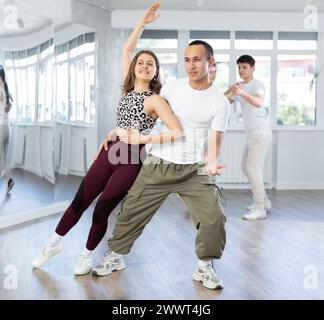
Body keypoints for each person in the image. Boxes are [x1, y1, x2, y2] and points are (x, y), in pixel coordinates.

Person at [32, 2, 183, 275]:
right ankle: (51, 245)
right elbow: (127, 49)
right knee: (80, 201)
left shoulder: (156, 100)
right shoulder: (127, 90)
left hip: (131, 159)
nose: (145, 65)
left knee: (101, 211)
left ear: (156, 72)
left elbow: (177, 132)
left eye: (151, 64)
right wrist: (142, 23)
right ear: (134, 68)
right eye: (141, 62)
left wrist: (143, 138)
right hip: (110, 151)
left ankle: (86, 256)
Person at [92, 38, 231, 291]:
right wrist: (116, 131)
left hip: (192, 170)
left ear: (211, 62)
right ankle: (116, 255)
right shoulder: (172, 87)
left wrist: (211, 164)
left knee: (214, 218)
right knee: (131, 211)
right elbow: (141, 109)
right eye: (187, 60)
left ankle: (204, 265)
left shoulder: (220, 102)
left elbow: (215, 144)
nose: (191, 65)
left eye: (197, 59)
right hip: (158, 164)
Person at [224, 55, 272, 220]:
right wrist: (231, 90)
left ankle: (260, 208)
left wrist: (241, 93)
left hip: (260, 133)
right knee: (246, 167)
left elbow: (259, 102)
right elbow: (223, 102)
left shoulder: (257, 85)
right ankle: (263, 200)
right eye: (239, 68)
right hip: (251, 134)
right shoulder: (240, 87)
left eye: (244, 67)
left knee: (253, 169)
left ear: (252, 68)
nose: (241, 70)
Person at [0, 65, 14, 193]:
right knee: (3, 159)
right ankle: (9, 180)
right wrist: (8, 107)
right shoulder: (6, 87)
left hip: (0, 128)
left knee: (1, 160)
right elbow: (11, 101)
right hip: (7, 128)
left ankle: (9, 179)